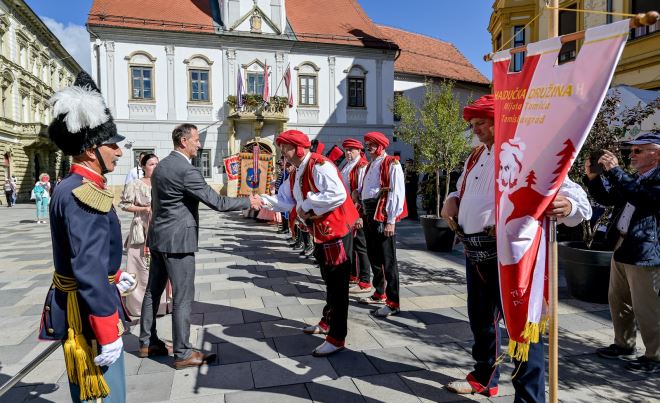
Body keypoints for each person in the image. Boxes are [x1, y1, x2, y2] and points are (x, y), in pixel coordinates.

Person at [441, 95, 591, 401]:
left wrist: (569, 205)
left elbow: (577, 198)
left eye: (481, 123)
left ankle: (529, 398)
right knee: (481, 321)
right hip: (474, 251)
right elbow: (461, 188)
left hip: (511, 257)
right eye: (473, 124)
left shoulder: (527, 151)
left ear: (501, 121)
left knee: (522, 327)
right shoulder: (475, 156)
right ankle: (484, 378)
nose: (475, 130)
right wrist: (451, 200)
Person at [39, 71, 136, 402]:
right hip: (89, 314)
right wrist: (108, 331)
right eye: (113, 145)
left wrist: (115, 275)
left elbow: (81, 253)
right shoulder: (84, 193)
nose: (118, 152)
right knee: (106, 395)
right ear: (92, 149)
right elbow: (88, 266)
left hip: (84, 302)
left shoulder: (71, 186)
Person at [139, 123, 256, 369]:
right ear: (183, 141)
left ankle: (147, 342)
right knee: (182, 297)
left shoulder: (161, 166)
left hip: (159, 238)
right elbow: (218, 202)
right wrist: (249, 201)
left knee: (152, 292)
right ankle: (183, 353)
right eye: (196, 139)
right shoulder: (186, 170)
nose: (199, 144)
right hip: (178, 242)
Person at [255, 130, 360, 356]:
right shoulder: (297, 172)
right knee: (329, 280)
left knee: (338, 285)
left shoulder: (319, 165)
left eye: (286, 147)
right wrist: (262, 200)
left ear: (299, 149)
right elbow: (285, 199)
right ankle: (327, 322)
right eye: (281, 147)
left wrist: (306, 206)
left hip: (337, 231)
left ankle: (337, 337)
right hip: (322, 233)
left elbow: (337, 194)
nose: (282, 152)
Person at [584, 131, 659, 374]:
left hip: (646, 250)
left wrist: (616, 171)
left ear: (657, 154)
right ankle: (624, 344)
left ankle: (655, 356)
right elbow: (609, 199)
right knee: (619, 300)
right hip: (623, 244)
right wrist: (593, 178)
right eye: (630, 151)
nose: (631, 155)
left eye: (638, 150)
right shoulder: (636, 178)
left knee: (647, 307)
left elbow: (643, 199)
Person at [357, 132, 407, 317]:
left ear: (381, 145)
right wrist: (358, 192)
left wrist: (391, 221)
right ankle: (380, 293)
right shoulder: (370, 165)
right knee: (374, 256)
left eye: (372, 144)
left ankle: (393, 303)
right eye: (367, 144)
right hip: (368, 213)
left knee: (388, 260)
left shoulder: (392, 163)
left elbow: (396, 192)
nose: (368, 147)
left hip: (382, 214)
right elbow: (369, 188)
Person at [119, 153, 171, 317]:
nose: (155, 167)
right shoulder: (135, 184)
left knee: (160, 266)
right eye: (151, 164)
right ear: (143, 167)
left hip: (160, 229)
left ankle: (161, 305)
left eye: (157, 164)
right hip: (141, 230)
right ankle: (138, 306)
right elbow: (124, 205)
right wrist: (144, 209)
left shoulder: (163, 183)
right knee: (140, 267)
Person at [340, 138, 372, 294]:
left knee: (361, 246)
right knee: (352, 245)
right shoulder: (347, 165)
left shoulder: (361, 166)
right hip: (347, 210)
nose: (348, 153)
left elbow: (361, 193)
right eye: (346, 150)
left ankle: (365, 281)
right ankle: (353, 275)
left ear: (359, 151)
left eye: (351, 150)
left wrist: (359, 215)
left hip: (357, 211)